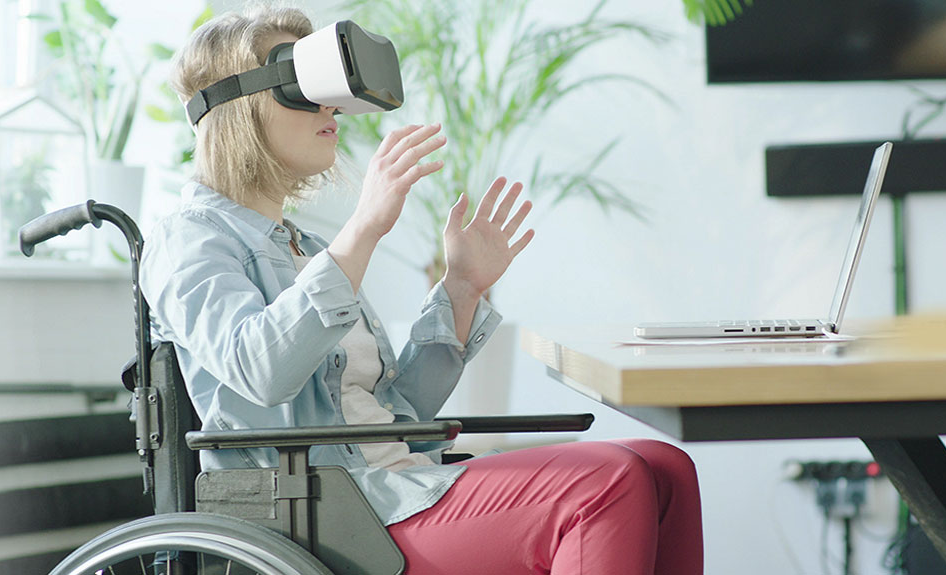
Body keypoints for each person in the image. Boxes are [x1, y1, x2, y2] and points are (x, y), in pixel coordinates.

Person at [140, 6, 702, 575]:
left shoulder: (306, 247)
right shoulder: (187, 239)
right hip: (332, 515)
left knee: (663, 467)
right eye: (303, 85)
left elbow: (396, 411)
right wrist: (363, 229)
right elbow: (260, 371)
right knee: (606, 483)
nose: (331, 105)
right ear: (238, 106)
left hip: (398, 484)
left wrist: (461, 289)